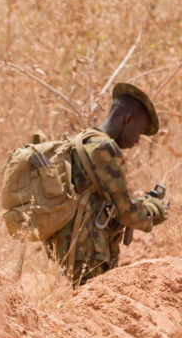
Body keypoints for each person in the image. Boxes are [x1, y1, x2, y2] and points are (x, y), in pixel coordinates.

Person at [45, 83, 168, 286]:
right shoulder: (104, 148)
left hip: (74, 246)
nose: (138, 139)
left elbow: (107, 201)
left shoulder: (85, 139)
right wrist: (155, 210)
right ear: (128, 120)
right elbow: (127, 211)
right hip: (90, 251)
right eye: (139, 131)